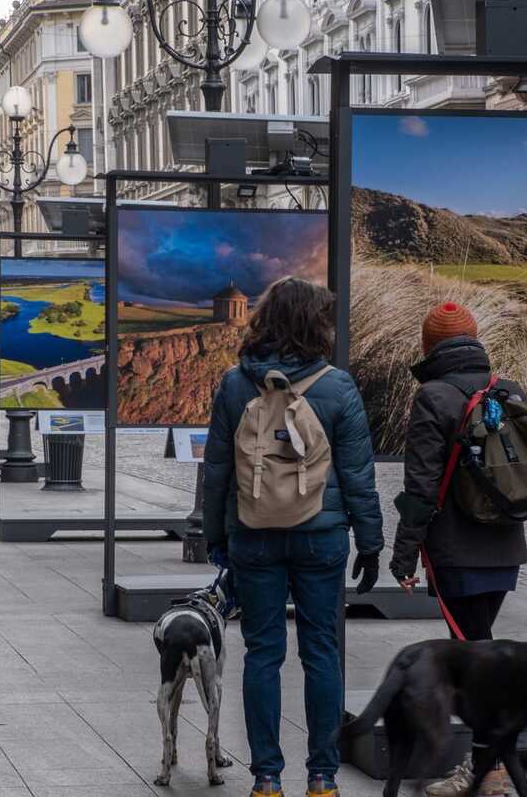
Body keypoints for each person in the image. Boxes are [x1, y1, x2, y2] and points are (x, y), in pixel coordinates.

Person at [202, 277, 383, 797]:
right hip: (320, 538)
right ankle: (323, 776)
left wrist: (215, 534)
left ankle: (266, 778)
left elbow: (216, 470)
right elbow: (357, 475)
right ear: (316, 323)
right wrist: (370, 544)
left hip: (253, 536)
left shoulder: (236, 384)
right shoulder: (337, 386)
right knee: (321, 651)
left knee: (262, 653)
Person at [388, 302, 527, 797]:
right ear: (474, 339)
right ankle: (491, 757)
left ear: (429, 348)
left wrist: (403, 555)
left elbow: (421, 488)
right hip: (506, 546)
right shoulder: (508, 389)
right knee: (479, 646)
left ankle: (488, 771)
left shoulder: (432, 396)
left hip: (455, 551)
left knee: (474, 659)